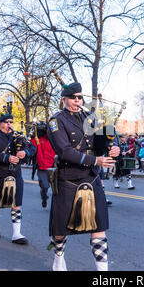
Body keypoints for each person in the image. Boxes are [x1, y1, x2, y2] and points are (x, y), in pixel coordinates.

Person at [46, 81, 120, 271]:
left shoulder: (90, 117)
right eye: (73, 98)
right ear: (64, 99)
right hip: (68, 179)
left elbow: (99, 144)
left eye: (80, 97)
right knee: (61, 230)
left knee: (98, 226)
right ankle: (59, 260)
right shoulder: (56, 121)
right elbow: (64, 151)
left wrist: (112, 147)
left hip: (92, 178)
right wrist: (96, 161)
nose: (78, 101)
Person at [0, 112, 36, 244]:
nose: (9, 125)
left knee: (16, 204)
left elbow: (33, 148)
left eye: (11, 122)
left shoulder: (18, 135)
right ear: (0, 123)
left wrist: (25, 152)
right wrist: (6, 158)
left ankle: (16, 234)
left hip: (15, 173)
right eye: (6, 122)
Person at [30, 121, 56, 208]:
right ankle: (44, 196)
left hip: (53, 167)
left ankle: (56, 205)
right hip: (42, 168)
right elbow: (30, 145)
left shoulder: (54, 140)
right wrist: (32, 134)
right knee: (45, 186)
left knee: (56, 188)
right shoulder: (38, 140)